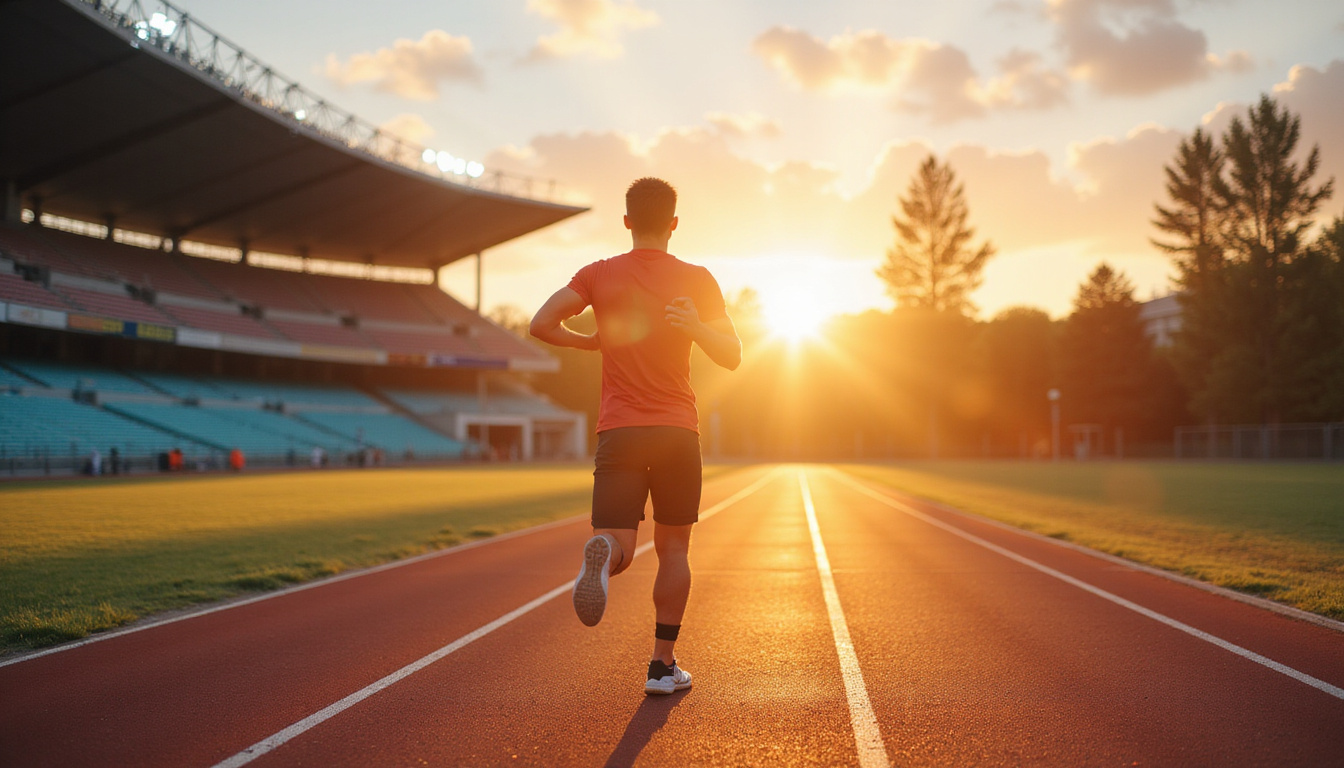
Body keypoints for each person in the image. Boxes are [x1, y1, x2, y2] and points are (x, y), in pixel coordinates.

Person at [530, 177, 741, 695]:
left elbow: (541, 323)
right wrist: (695, 327)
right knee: (674, 550)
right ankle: (661, 667)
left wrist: (589, 343)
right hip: (675, 431)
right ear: (673, 224)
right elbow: (732, 355)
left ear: (626, 222)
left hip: (619, 431)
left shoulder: (597, 274)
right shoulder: (698, 278)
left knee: (623, 546)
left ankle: (602, 548)